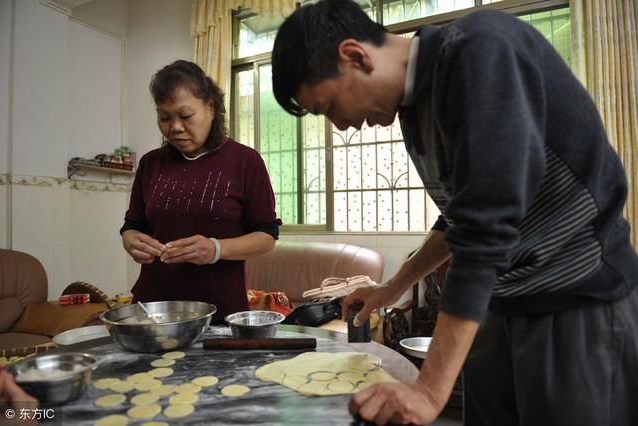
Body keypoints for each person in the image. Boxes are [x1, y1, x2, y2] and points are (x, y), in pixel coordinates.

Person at [271, 1, 638, 425]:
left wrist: (428, 389)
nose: (341, 125)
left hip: (574, 298)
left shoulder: (481, 49)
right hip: (499, 301)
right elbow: (461, 217)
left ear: (355, 55)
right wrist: (392, 288)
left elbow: (486, 224)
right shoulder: (414, 108)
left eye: (330, 106)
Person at [121, 60, 280, 322]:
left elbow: (267, 236)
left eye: (185, 116)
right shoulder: (150, 164)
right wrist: (133, 242)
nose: (175, 127)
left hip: (219, 311)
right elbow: (131, 226)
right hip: (154, 310)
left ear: (211, 107)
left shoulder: (245, 162)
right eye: (164, 117)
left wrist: (215, 249)